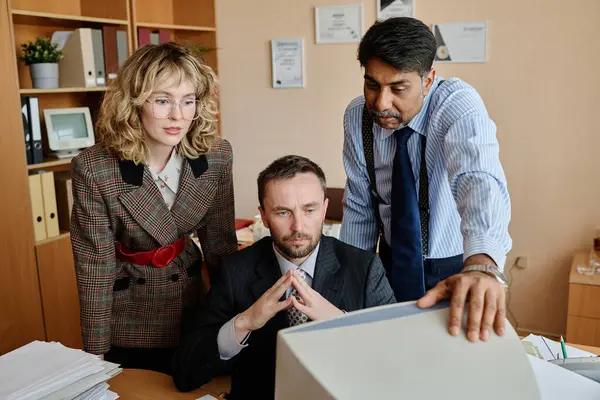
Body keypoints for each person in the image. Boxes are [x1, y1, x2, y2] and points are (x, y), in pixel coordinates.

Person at [340, 17, 511, 343]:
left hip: (456, 269)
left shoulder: (457, 104)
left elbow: (478, 179)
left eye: (398, 88)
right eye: (372, 85)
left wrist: (481, 265)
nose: (381, 103)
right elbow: (360, 206)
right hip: (386, 266)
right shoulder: (356, 116)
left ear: (429, 79)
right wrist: (349, 281)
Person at [70, 43, 238, 374]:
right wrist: (95, 353)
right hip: (129, 312)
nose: (178, 115)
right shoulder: (94, 167)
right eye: (163, 101)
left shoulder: (216, 155)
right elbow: (95, 267)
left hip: (194, 304)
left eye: (188, 101)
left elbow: (221, 247)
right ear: (133, 103)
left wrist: (233, 320)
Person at [172, 155, 395, 399]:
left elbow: (396, 360)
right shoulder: (236, 270)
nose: (298, 226)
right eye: (282, 212)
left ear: (324, 209)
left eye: (309, 210)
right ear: (264, 216)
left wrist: (339, 324)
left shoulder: (364, 267)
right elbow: (186, 373)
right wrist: (244, 322)